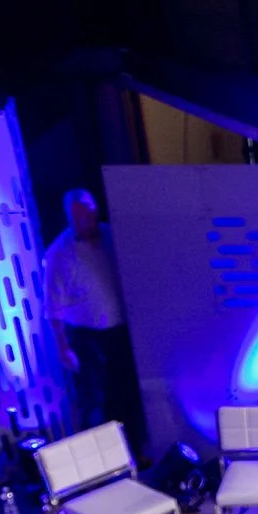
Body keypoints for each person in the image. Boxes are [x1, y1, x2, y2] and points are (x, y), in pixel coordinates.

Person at [43, 188, 149, 460]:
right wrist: (63, 348)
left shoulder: (112, 236)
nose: (84, 222)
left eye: (88, 215)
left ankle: (136, 453)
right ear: (69, 218)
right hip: (87, 337)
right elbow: (53, 308)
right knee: (94, 400)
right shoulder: (59, 254)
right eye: (77, 217)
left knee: (127, 394)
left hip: (122, 332)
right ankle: (100, 463)